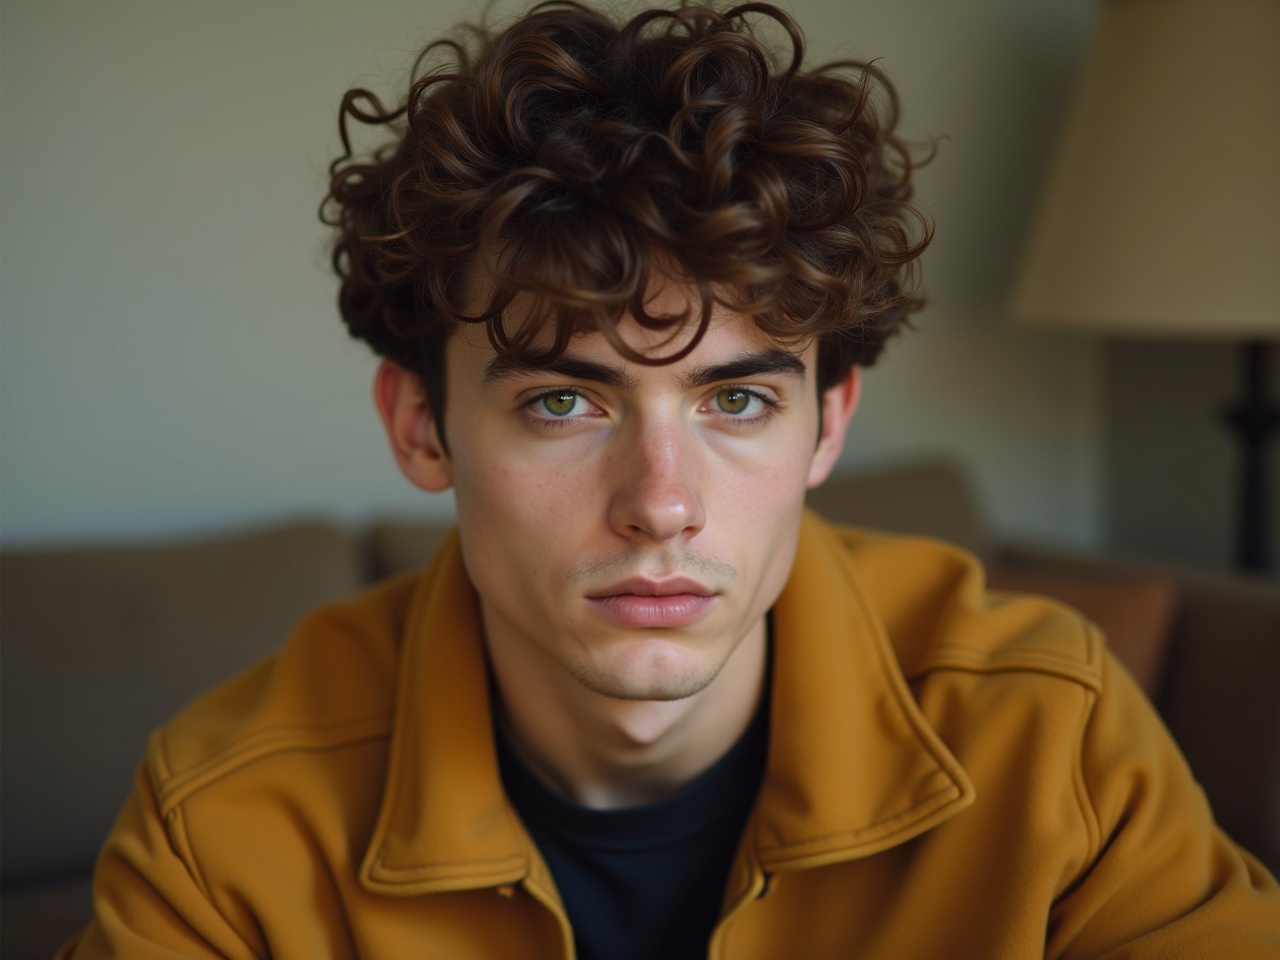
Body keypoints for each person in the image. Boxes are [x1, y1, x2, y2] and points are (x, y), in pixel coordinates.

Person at [61, 2, 1280, 957]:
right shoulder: (220, 824)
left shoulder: (1050, 734)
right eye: (561, 401)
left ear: (826, 426)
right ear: (421, 426)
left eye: (736, 400)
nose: (660, 501)